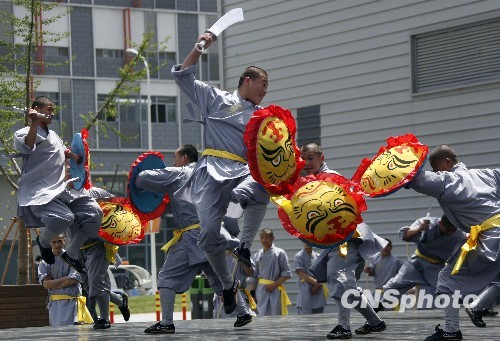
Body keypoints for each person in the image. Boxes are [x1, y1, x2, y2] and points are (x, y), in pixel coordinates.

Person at [172, 33, 271, 314]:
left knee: (261, 188)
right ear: (247, 80)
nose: (265, 90)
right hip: (211, 172)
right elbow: (182, 76)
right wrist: (199, 48)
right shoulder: (216, 98)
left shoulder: (263, 116)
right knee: (208, 236)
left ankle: (244, 247)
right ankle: (227, 286)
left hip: (243, 170)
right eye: (263, 84)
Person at [135, 145, 241, 334]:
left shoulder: (179, 173)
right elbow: (228, 208)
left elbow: (142, 179)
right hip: (213, 233)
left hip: (192, 236)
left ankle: (166, 322)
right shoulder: (211, 175)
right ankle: (244, 312)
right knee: (221, 280)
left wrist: (144, 173)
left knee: (166, 277)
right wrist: (231, 232)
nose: (173, 162)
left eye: (175, 158)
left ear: (184, 158)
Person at [406, 144, 500, 340]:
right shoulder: (486, 174)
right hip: (493, 229)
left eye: (434, 165)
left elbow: (416, 179)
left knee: (447, 280)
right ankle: (477, 307)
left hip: (491, 237)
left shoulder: (447, 181)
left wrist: (395, 171)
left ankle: (451, 330)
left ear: (447, 162)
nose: (433, 170)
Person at [14, 96, 102, 273]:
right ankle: (44, 242)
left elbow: (62, 150)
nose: (52, 113)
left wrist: (74, 156)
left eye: (52, 110)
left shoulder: (53, 135)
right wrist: (34, 122)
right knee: (65, 217)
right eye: (48, 109)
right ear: (37, 109)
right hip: (39, 193)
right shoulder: (23, 132)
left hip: (60, 190)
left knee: (94, 213)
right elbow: (28, 146)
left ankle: (72, 253)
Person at [310, 223, 388, 339]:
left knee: (340, 281)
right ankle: (375, 322)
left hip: (346, 241)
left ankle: (344, 326)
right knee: (348, 288)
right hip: (348, 240)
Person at [379, 215, 465, 310]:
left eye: (452, 230)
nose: (449, 233)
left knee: (438, 296)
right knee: (394, 285)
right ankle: (381, 307)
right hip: (417, 262)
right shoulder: (427, 224)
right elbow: (405, 236)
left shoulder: (460, 235)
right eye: (447, 230)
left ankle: (436, 317)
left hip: (437, 268)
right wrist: (419, 229)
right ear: (440, 223)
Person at [74, 185, 130, 330]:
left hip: (96, 245)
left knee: (96, 282)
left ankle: (104, 319)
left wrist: (114, 247)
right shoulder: (62, 194)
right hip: (77, 248)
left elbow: (115, 210)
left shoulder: (97, 193)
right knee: (89, 286)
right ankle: (120, 301)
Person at [38, 234, 92, 326]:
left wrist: (54, 285)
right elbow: (46, 284)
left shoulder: (73, 258)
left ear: (64, 241)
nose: (57, 245)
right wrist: (67, 278)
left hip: (73, 304)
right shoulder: (44, 262)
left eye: (59, 241)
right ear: (50, 243)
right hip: (56, 306)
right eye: (54, 242)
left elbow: (74, 280)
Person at [248, 228, 292, 316]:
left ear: (273, 238)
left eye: (267, 237)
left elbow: (286, 274)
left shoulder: (280, 253)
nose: (264, 240)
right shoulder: (257, 255)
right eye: (262, 237)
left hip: (275, 289)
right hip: (260, 291)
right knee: (260, 315)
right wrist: (252, 294)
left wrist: (273, 285)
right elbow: (253, 276)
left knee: (275, 314)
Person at [294, 242, 326, 314]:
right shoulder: (299, 256)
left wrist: (317, 285)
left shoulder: (318, 256)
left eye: (309, 240)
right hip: (305, 291)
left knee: (319, 321)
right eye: (305, 240)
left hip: (318, 292)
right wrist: (316, 283)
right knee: (305, 320)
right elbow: (301, 273)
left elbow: (322, 273)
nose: (307, 242)